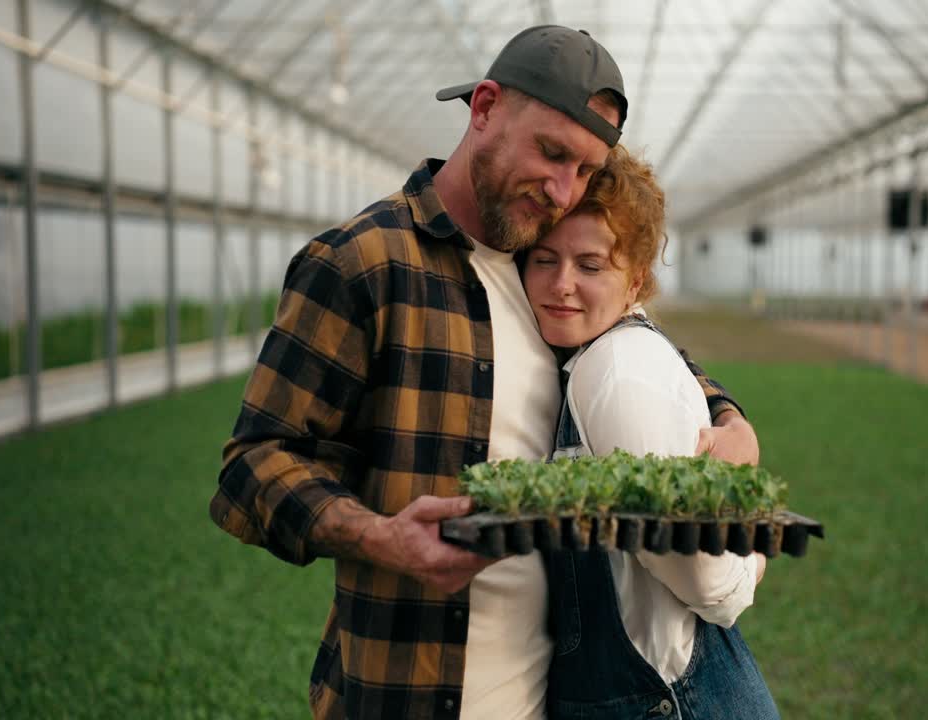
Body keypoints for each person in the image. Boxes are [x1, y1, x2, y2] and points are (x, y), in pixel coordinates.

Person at [208, 25, 760, 720]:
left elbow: (632, 343)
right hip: (402, 694)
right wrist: (382, 538)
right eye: (551, 152)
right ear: (485, 107)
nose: (563, 190)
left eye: (585, 170)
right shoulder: (363, 264)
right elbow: (254, 462)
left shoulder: (543, 264)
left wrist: (728, 417)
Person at [521, 146, 780, 719]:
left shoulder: (619, 371)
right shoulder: (595, 353)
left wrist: (756, 555)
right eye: (544, 259)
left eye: (590, 266)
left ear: (635, 280)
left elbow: (708, 579)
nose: (561, 284)